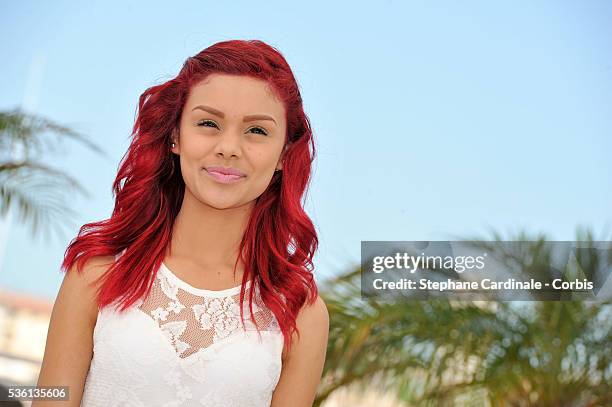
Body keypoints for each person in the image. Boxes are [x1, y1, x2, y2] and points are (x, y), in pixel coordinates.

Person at [34, 39, 329, 407]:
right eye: (208, 123)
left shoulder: (299, 313)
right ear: (175, 135)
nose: (229, 147)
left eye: (257, 131)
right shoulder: (97, 273)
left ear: (285, 153)